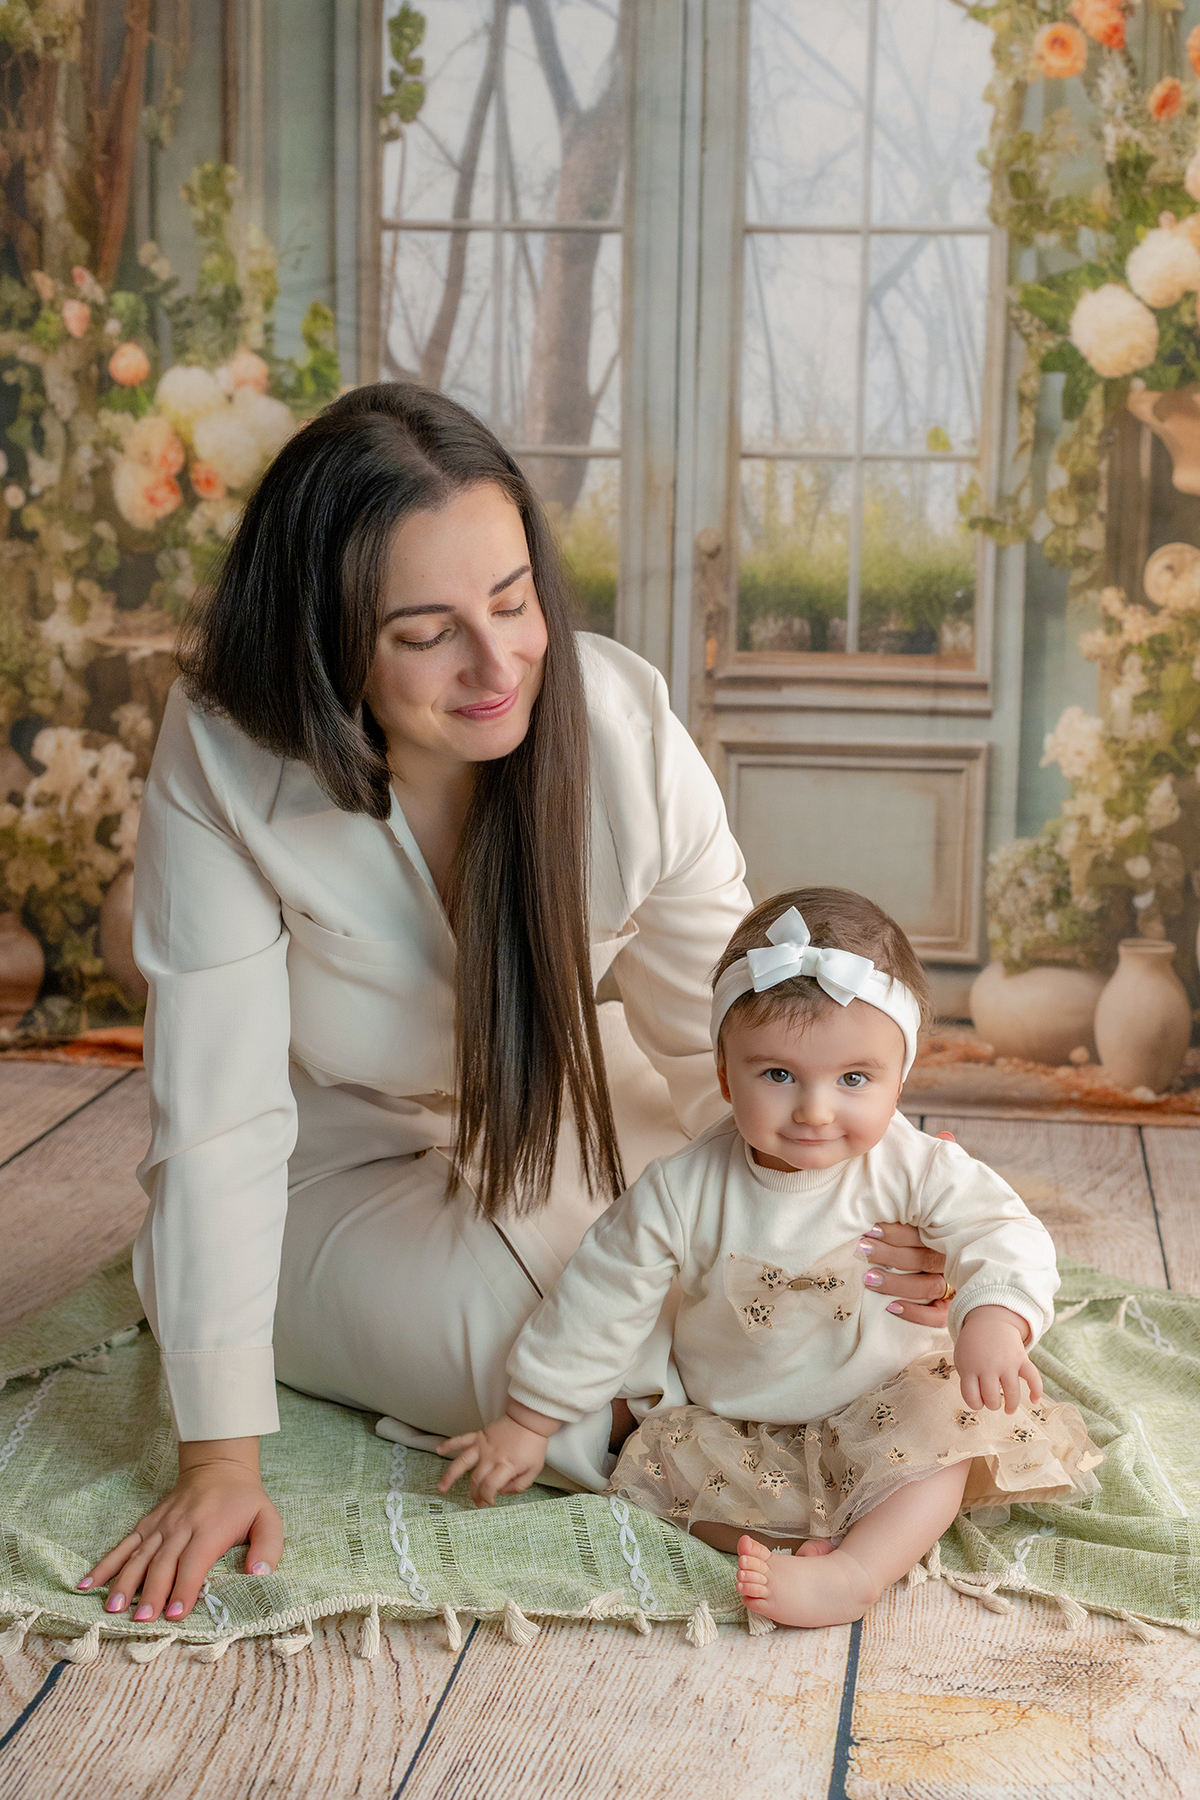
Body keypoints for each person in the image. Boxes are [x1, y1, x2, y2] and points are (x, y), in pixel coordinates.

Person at [79, 385, 955, 1626]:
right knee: (535, 1362)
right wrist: (218, 1461)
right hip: (324, 1156)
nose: (499, 666)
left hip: (569, 1093)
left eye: (512, 601)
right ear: (327, 645)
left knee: (809, 1275)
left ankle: (790, 1395)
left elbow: (732, 1048)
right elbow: (218, 1122)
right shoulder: (224, 754)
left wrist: (863, 1188)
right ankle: (733, 1441)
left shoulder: (616, 724)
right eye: (427, 632)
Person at [437, 887, 1104, 1629]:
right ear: (725, 1075)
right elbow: (600, 1293)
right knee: (659, 1469)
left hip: (887, 1399)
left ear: (900, 1076)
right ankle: (804, 1544)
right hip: (739, 1420)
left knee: (947, 1427)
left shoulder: (914, 1166)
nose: (816, 1110)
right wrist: (530, 1420)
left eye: (854, 1079)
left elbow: (1002, 1229)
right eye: (779, 1075)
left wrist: (995, 1320)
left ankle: (858, 1569)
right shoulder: (683, 1189)